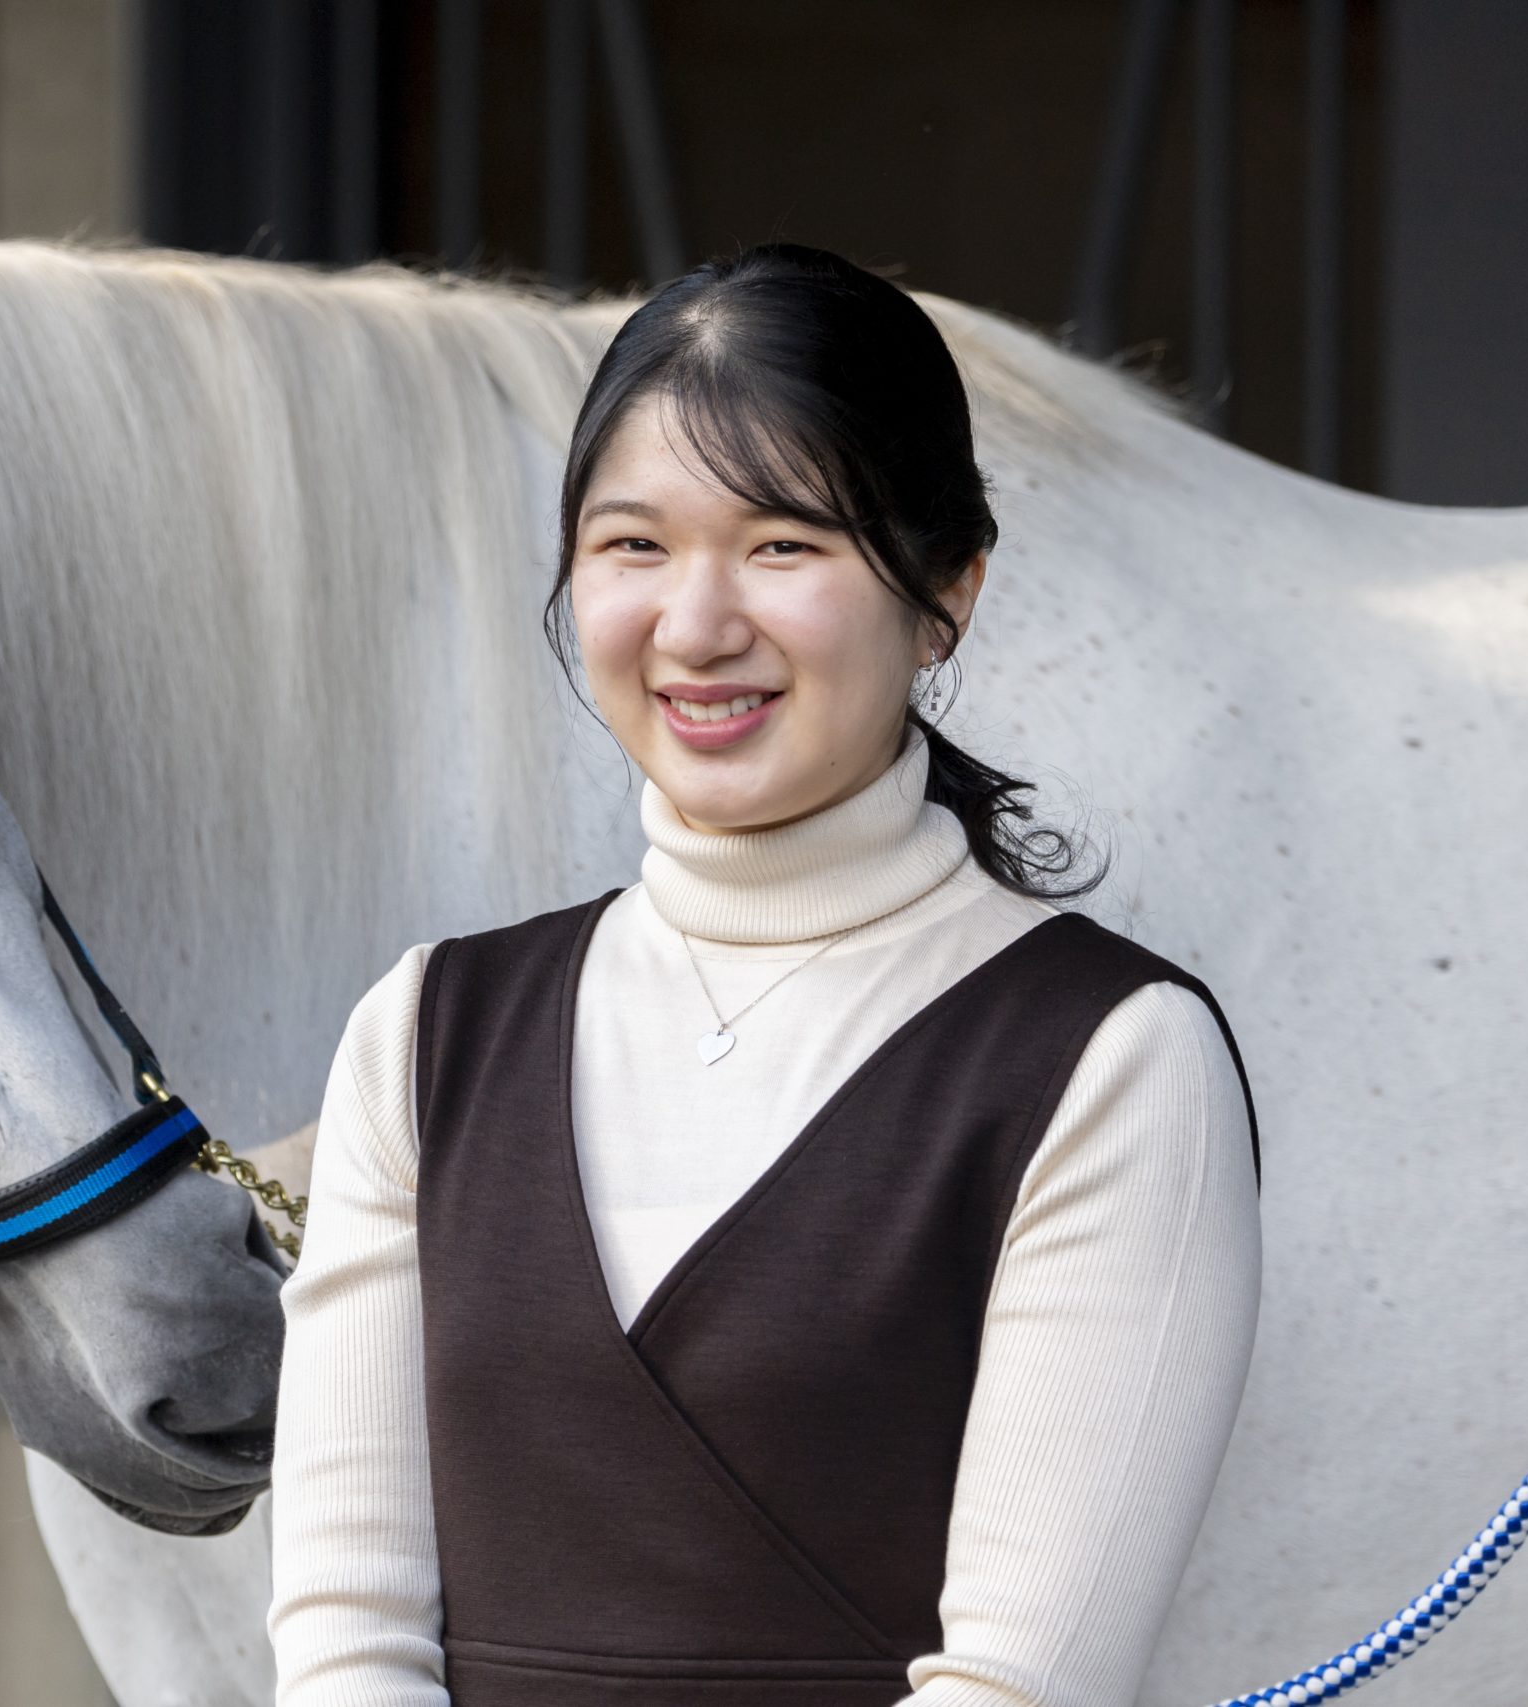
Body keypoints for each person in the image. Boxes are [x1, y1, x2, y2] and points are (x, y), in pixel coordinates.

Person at [264, 243, 1263, 1707]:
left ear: (948, 588)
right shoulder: (426, 1033)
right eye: (634, 546)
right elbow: (347, 1636)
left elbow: (1019, 1686)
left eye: (785, 544)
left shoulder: (1109, 1057)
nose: (696, 624)